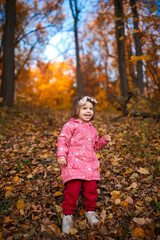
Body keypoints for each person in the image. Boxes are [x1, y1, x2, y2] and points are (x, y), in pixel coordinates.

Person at [57, 95, 111, 234]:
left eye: (91, 109)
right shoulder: (70, 125)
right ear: (77, 109)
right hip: (74, 164)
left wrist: (103, 141)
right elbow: (63, 140)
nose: (88, 111)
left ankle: (90, 212)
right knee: (72, 191)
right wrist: (61, 155)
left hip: (90, 165)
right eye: (84, 108)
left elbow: (95, 146)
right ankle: (68, 215)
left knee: (91, 189)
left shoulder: (93, 129)